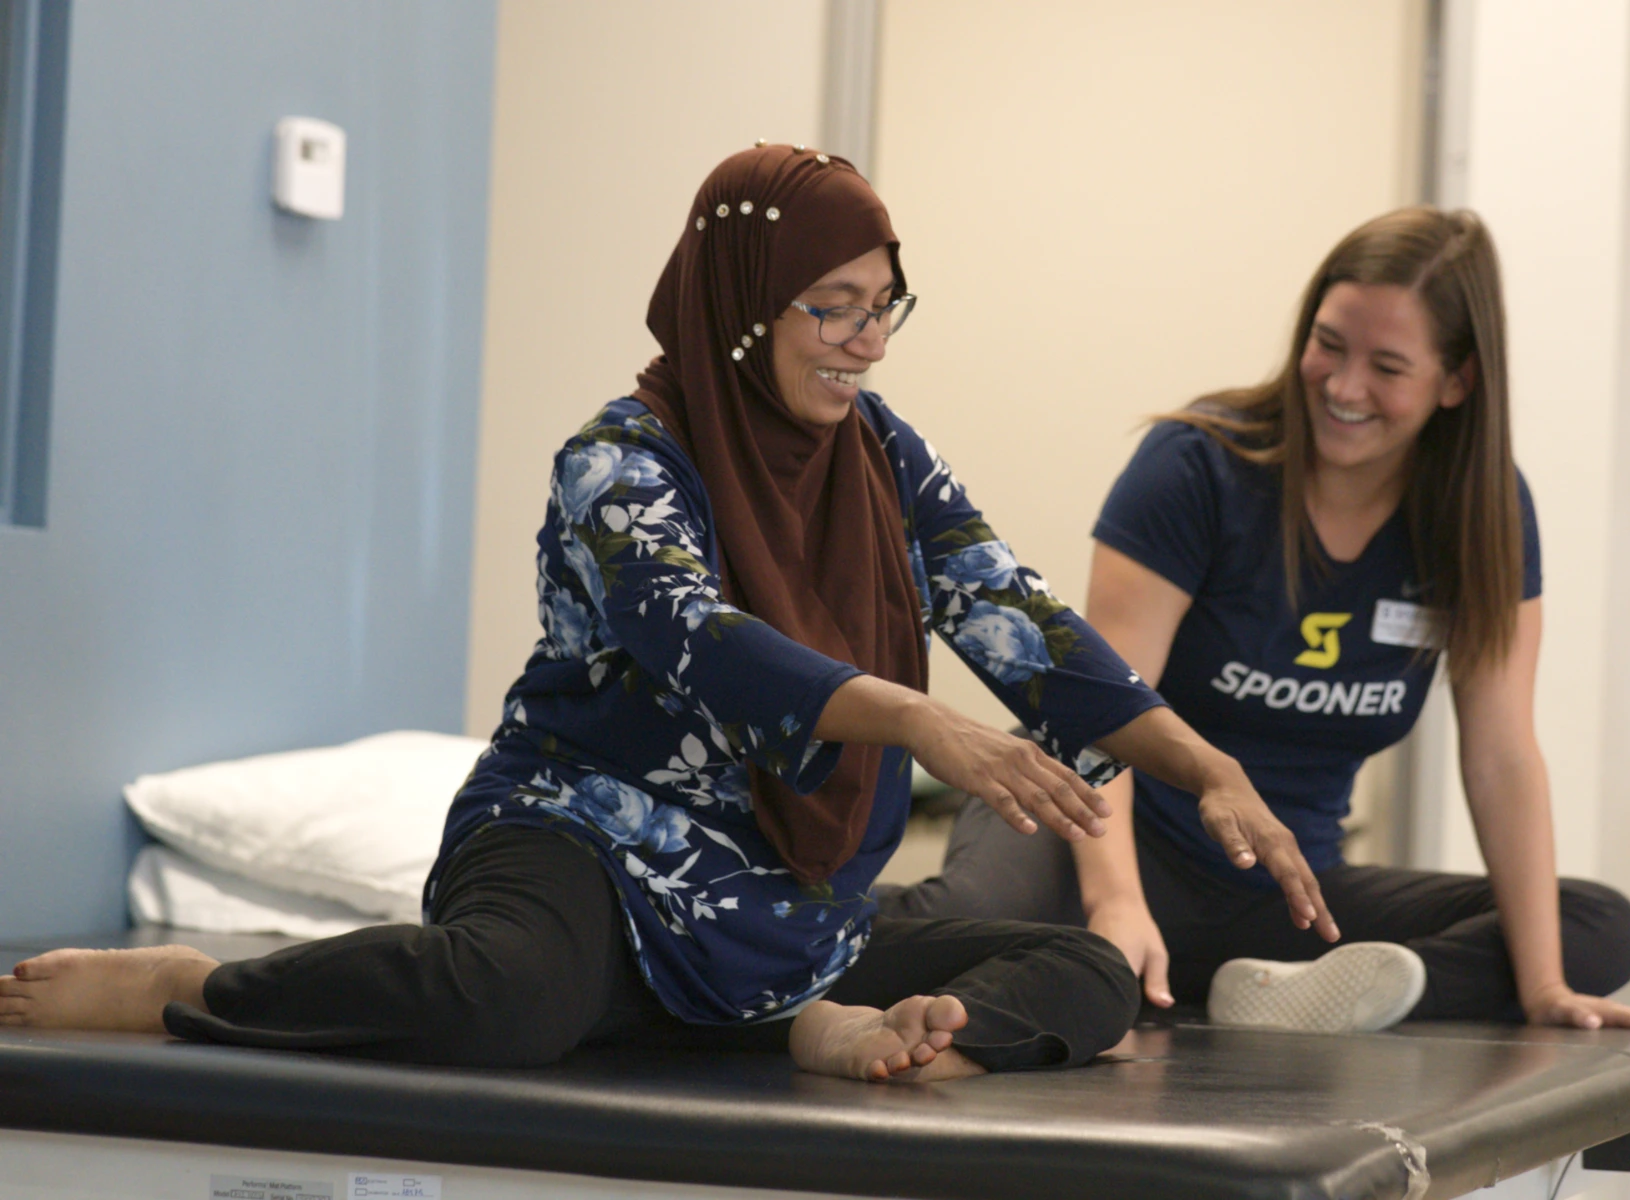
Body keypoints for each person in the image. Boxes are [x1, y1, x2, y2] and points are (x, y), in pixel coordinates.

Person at [0, 145, 1345, 1081]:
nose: (865, 345)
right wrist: (920, 723)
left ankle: (806, 1017)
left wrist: (1204, 765)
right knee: (506, 1000)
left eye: (886, 311)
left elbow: (1012, 609)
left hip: (786, 893)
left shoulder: (885, 456)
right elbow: (701, 642)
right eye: (831, 309)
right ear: (744, 308)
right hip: (584, 840)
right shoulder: (619, 460)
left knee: (1091, 977)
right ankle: (185, 988)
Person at [886, 207, 1630, 1035]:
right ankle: (790, 944)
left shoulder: (1484, 513)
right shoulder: (1195, 467)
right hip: (1086, 839)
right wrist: (1118, 908)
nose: (1345, 387)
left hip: (1277, 885)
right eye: (1329, 345)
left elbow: (1502, 757)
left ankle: (1275, 996)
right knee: (945, 933)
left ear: (1456, 382)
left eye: (1388, 367)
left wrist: (1543, 990)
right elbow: (1100, 713)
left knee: (1594, 928)